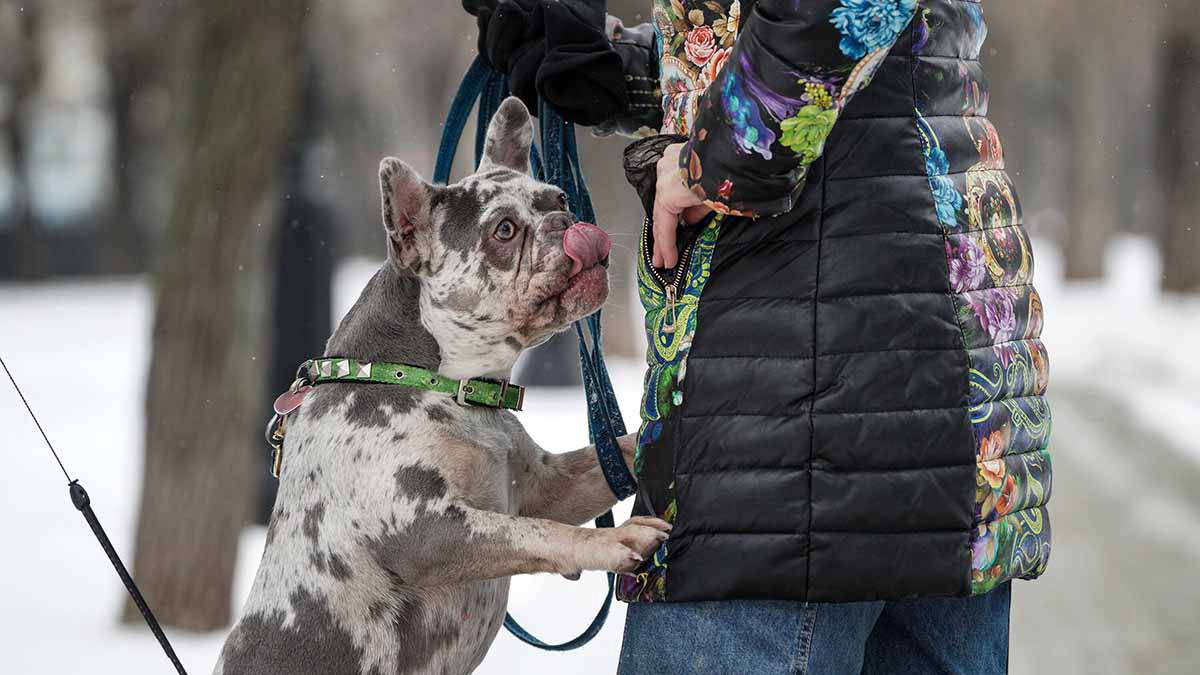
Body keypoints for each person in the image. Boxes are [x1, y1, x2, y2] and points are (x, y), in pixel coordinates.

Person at [469, 1, 1051, 672]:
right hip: (918, 384)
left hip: (789, 413)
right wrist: (605, 66)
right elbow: (844, 55)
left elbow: (833, 14)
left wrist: (708, 162)